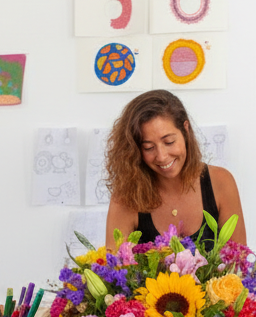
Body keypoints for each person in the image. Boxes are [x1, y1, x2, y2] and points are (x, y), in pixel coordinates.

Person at [105, 90, 246, 249]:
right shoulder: (126, 196)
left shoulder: (221, 182)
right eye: (148, 147)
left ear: (185, 130)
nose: (162, 156)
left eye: (169, 142)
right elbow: (114, 269)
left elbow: (240, 262)